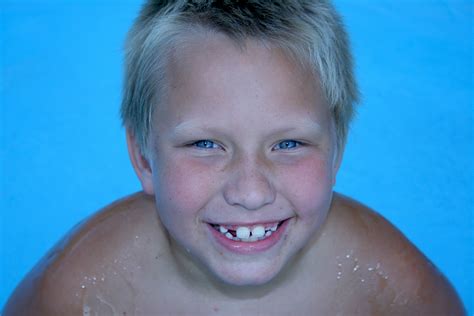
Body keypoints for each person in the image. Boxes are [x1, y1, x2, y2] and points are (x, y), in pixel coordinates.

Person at [3, 1, 465, 314]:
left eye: (289, 144)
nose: (250, 192)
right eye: (206, 145)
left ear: (338, 150)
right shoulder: (78, 290)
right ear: (144, 158)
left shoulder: (391, 286)